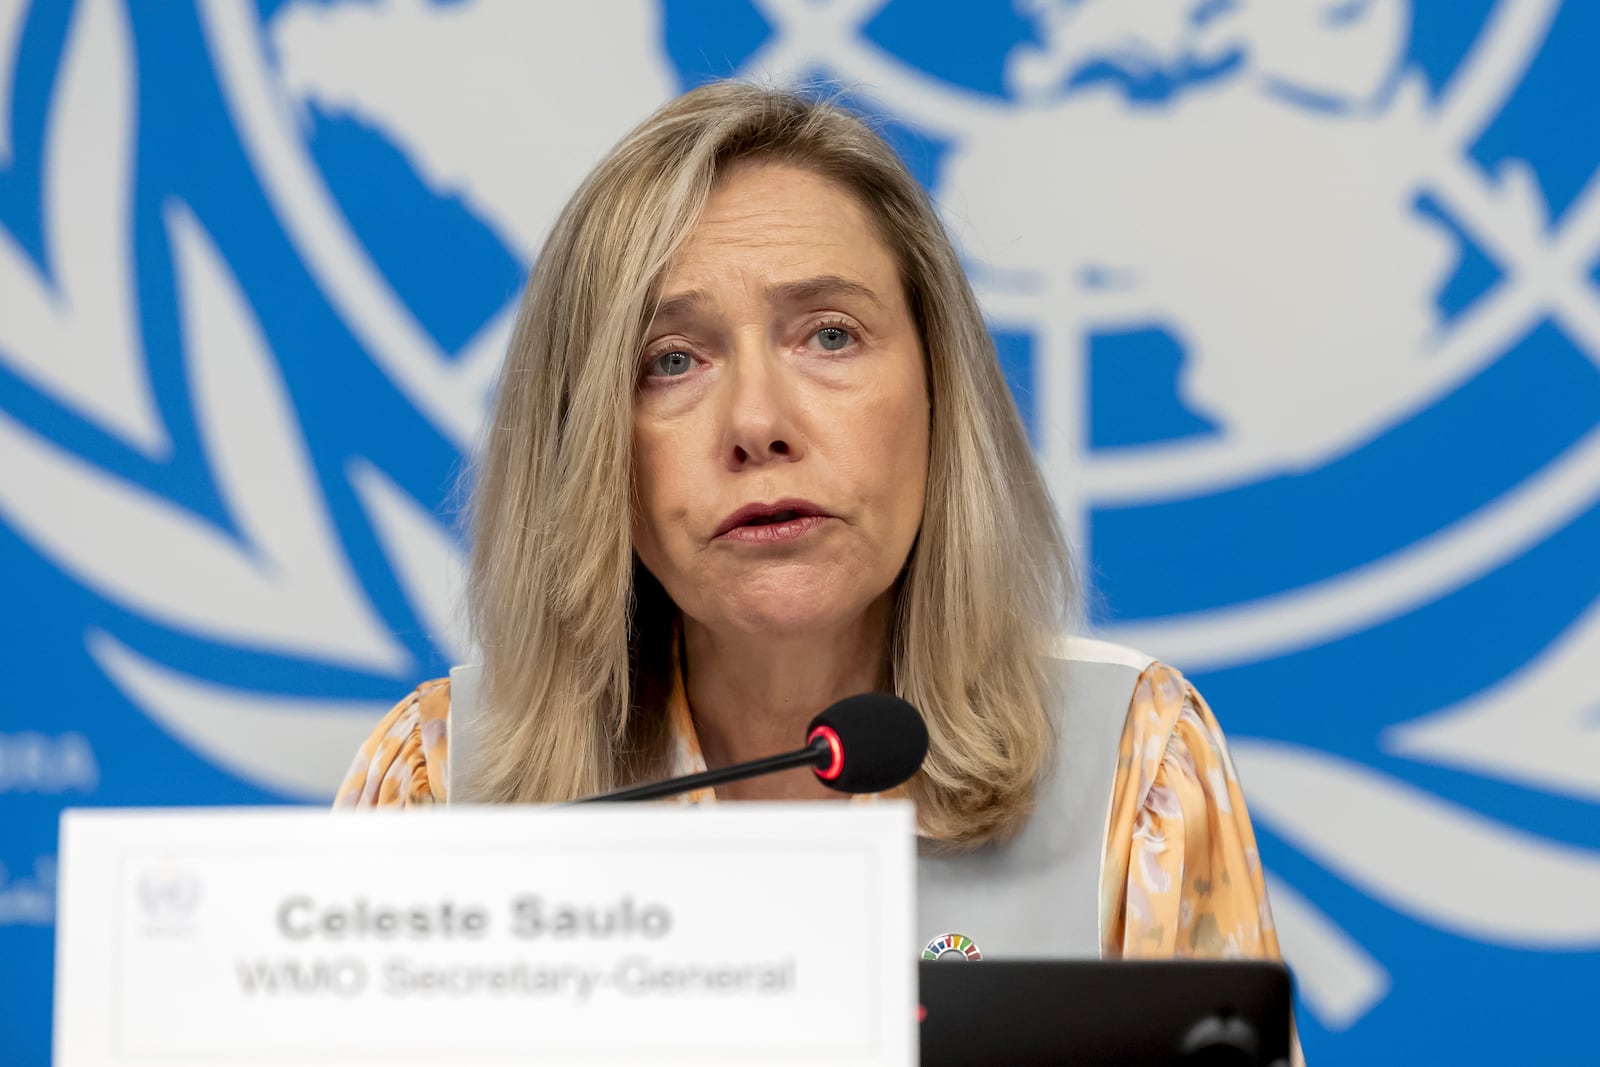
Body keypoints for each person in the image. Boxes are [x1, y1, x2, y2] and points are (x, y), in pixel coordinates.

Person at [335, 80, 1282, 964]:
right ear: (589, 447)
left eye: (829, 334)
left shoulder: (1130, 757)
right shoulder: (441, 785)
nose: (757, 424)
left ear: (939, 395)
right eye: (672, 360)